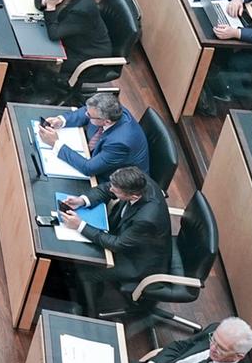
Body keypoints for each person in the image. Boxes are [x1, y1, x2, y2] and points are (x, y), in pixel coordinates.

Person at [58, 164, 172, 316]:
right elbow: (107, 188)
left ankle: (89, 316)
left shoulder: (147, 218)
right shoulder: (138, 179)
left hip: (138, 261)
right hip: (129, 237)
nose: (111, 190)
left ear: (134, 196)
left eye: (115, 191)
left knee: (87, 273)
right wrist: (82, 200)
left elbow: (118, 244)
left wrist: (80, 226)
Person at [36, 91, 147, 182]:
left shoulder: (120, 143)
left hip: (112, 179)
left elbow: (88, 168)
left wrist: (55, 143)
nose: (86, 114)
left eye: (89, 115)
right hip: (92, 154)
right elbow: (87, 111)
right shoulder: (110, 108)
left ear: (106, 122)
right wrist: (61, 120)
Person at [38, 0, 109, 74]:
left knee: (39, 63)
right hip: (69, 38)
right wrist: (45, 1)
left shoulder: (82, 10)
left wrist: (50, 7)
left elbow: (54, 34)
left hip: (85, 54)